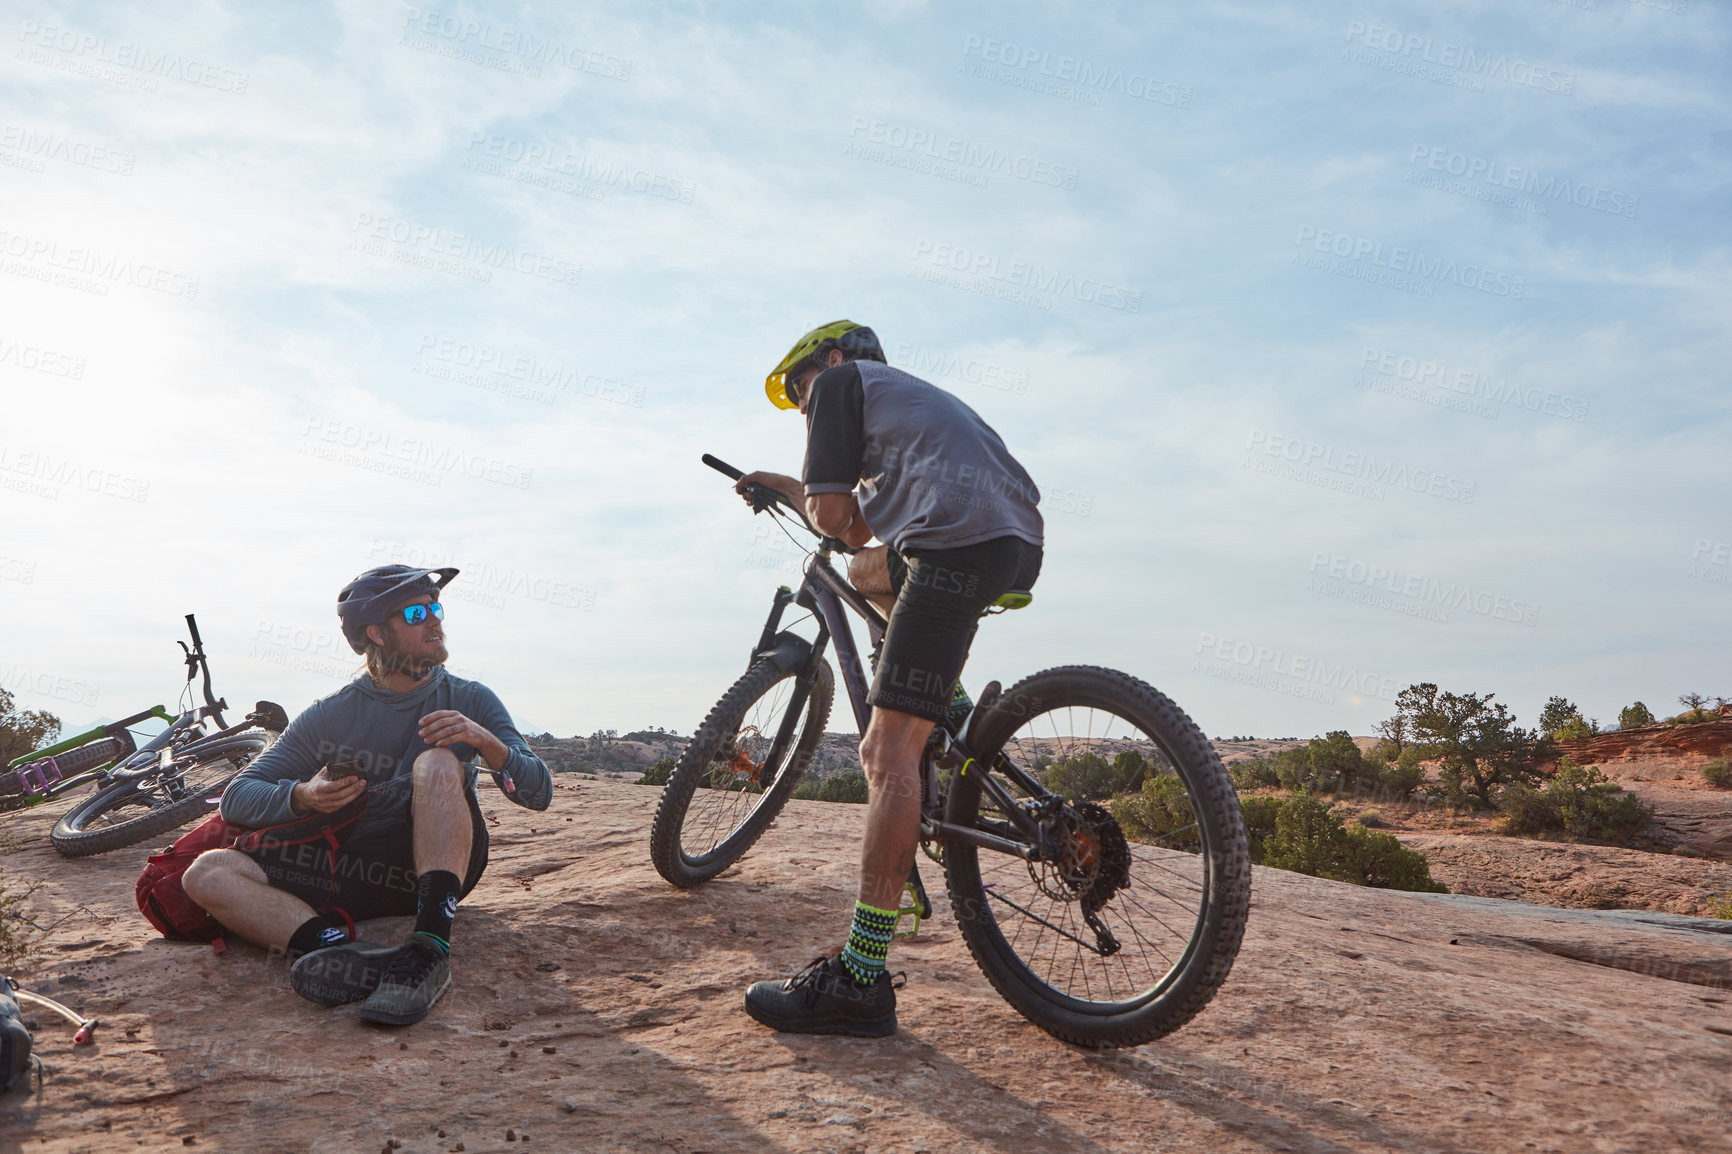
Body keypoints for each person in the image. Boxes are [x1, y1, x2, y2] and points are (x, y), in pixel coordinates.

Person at [734, 321, 1044, 1037]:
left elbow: (836, 519)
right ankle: (956, 719)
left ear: (832, 362)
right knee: (876, 575)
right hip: (1009, 537)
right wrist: (792, 485)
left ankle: (861, 978)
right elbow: (865, 538)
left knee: (884, 754)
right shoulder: (908, 406)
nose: (806, 405)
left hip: (955, 540)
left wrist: (805, 488)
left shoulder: (841, 387)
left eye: (800, 389)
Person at [182, 564, 552, 1026]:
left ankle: (429, 949)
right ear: (376, 633)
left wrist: (489, 745)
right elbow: (238, 796)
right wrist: (304, 795)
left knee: (436, 762)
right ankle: (350, 956)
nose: (435, 620)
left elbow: (539, 794)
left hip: (433, 868)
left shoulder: (471, 699)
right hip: (352, 868)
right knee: (207, 874)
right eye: (417, 612)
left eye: (437, 607)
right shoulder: (331, 714)